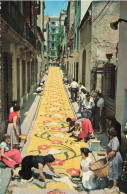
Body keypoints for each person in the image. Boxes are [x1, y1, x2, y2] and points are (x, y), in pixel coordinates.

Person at [105, 127, 123, 192]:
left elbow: (113, 151)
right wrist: (106, 154)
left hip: (115, 157)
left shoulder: (115, 140)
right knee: (112, 170)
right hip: (112, 157)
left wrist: (108, 157)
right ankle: (112, 183)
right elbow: (108, 148)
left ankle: (115, 185)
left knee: (115, 170)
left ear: (109, 133)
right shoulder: (111, 139)